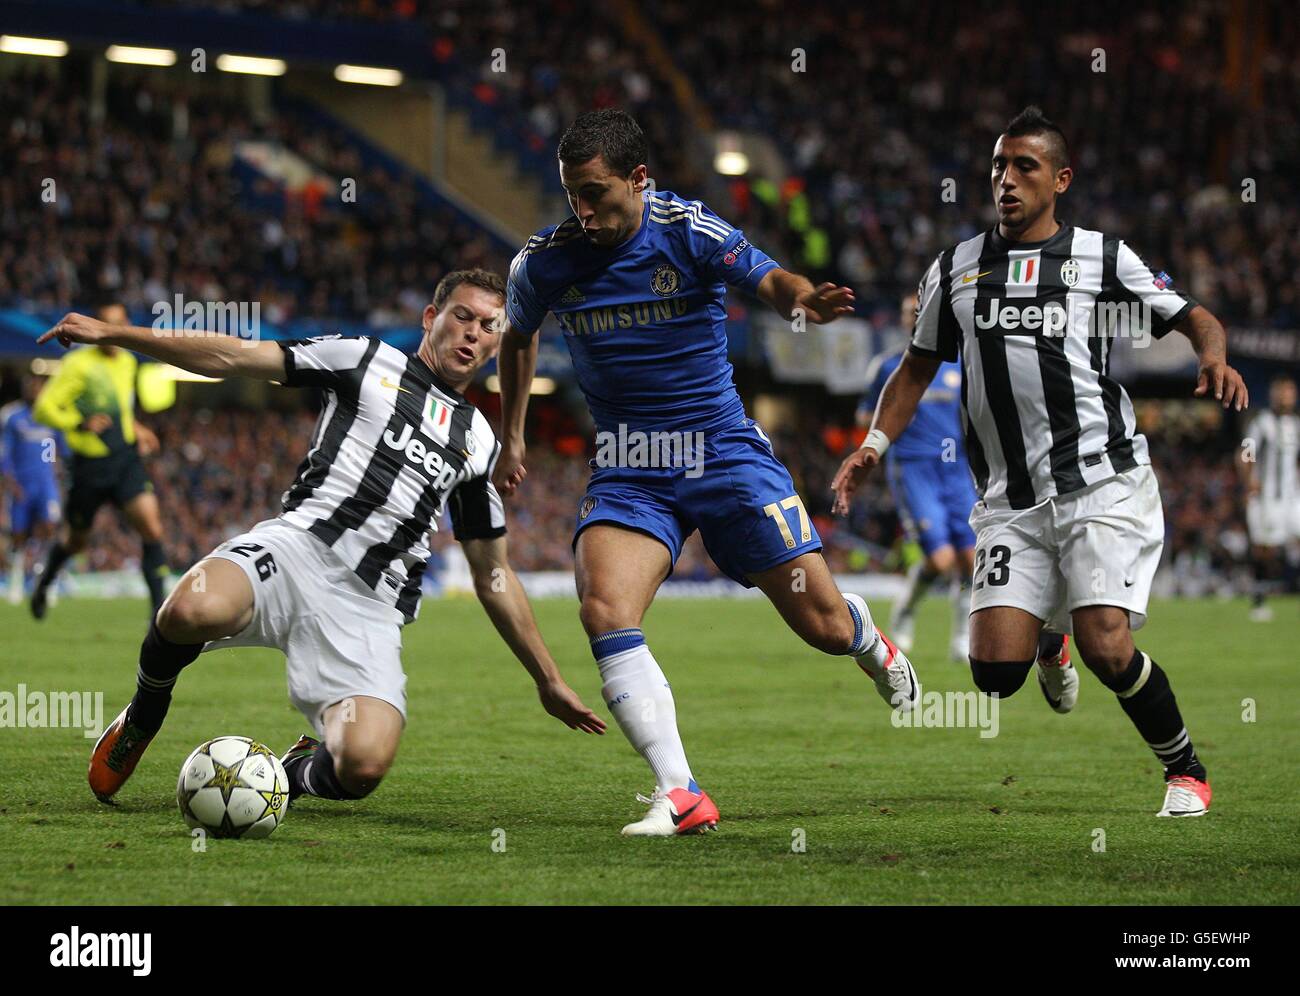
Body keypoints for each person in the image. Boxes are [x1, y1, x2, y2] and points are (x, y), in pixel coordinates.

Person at [495, 109, 918, 837]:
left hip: (721, 452)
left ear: (639, 179)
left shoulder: (686, 229)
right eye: (572, 194)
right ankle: (682, 792)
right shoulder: (543, 261)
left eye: (595, 193)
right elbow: (517, 338)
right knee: (603, 610)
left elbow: (767, 278)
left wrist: (803, 301)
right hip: (631, 465)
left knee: (820, 626)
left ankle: (868, 640)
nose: (583, 211)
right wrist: (512, 433)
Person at [38, 269, 605, 811]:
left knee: (363, 765)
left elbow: (493, 574)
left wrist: (548, 679)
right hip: (295, 551)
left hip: (368, 608)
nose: (474, 334)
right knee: (190, 608)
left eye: (490, 328)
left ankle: (292, 774)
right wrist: (115, 333)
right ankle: (144, 711)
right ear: (432, 317)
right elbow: (233, 357)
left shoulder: (481, 441)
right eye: (463, 317)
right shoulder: (364, 359)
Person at [832, 106, 1248, 818]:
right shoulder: (955, 267)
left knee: (1109, 646)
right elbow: (914, 368)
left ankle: (1185, 769)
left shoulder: (1103, 257)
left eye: (1025, 166)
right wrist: (873, 445)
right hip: (1007, 499)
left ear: (1060, 179)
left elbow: (1193, 315)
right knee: (993, 674)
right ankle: (1046, 640)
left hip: (1100, 482)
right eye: (998, 165)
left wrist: (1212, 354)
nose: (1007, 180)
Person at [29, 302, 167, 618]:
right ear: (97, 327)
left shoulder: (129, 362)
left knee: (151, 527)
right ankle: (44, 583)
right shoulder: (78, 364)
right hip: (89, 466)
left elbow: (121, 407)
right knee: (76, 541)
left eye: (120, 323)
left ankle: (159, 614)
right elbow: (43, 409)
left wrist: (138, 428)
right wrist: (80, 422)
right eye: (108, 324)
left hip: (124, 460)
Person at [1239, 375, 1299, 622]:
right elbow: (1247, 452)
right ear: (1274, 395)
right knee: (1265, 548)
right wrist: (1249, 481)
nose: (1286, 397)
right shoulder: (1261, 423)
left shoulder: (1296, 424)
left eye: (1290, 392)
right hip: (1267, 498)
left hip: (1292, 496)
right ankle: (1259, 600)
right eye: (1282, 392)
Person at [1, 375, 64, 603]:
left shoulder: (52, 417)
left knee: (50, 530)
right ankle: (15, 584)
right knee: (19, 536)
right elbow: (5, 455)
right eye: (30, 386)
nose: (34, 391)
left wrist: (58, 477)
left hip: (47, 485)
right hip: (22, 486)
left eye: (38, 387)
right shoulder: (13, 418)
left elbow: (61, 450)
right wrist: (11, 483)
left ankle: (48, 583)